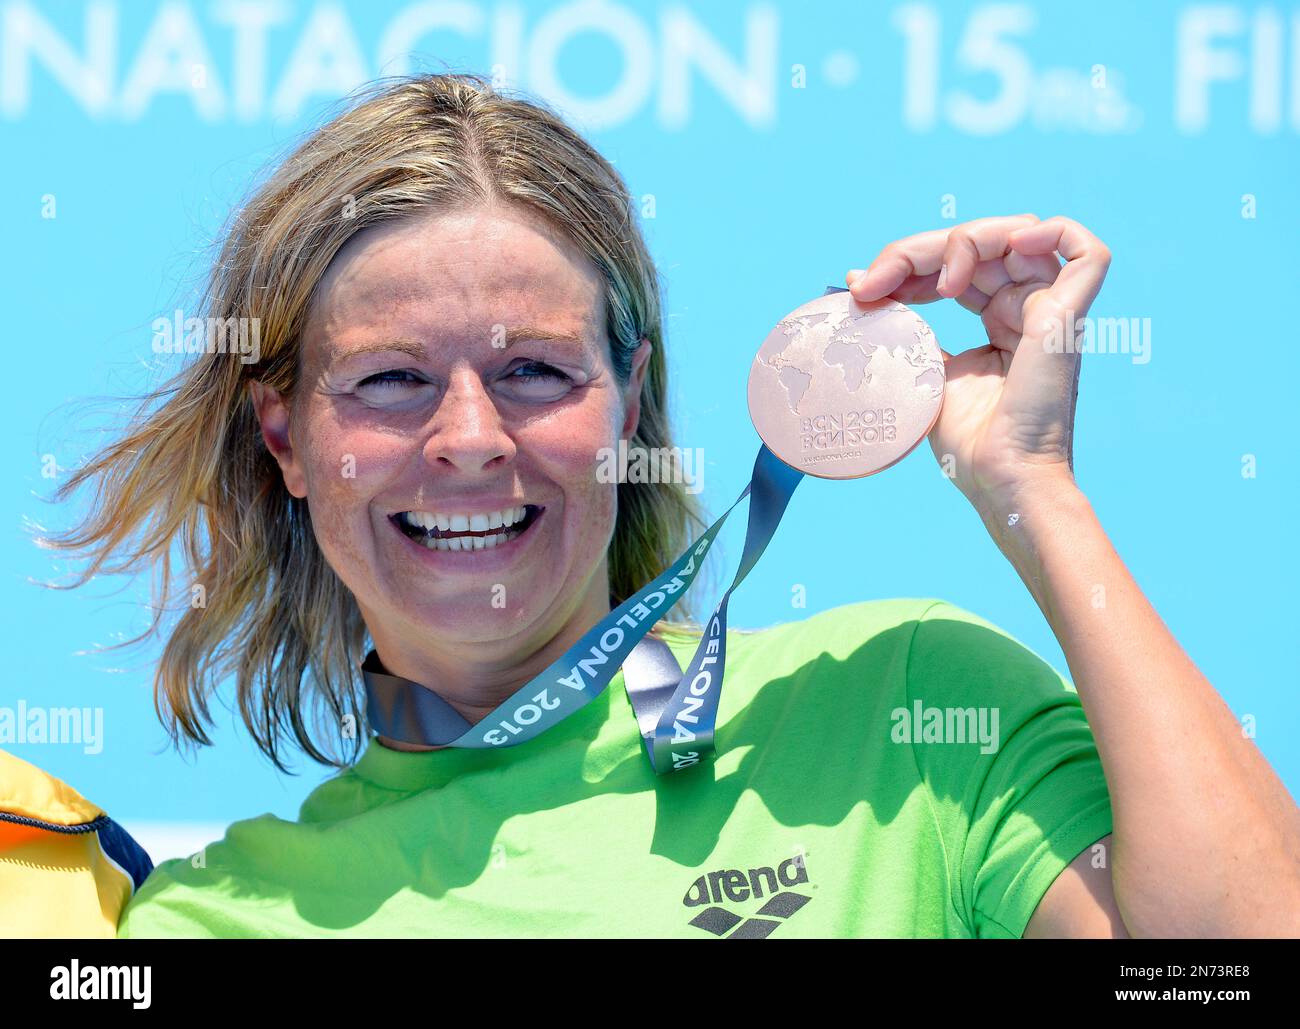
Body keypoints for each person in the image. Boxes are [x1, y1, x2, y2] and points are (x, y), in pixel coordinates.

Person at [32, 72, 1299, 938]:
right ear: (286, 438)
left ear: (628, 399)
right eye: (390, 382)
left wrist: (1034, 491)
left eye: (533, 371)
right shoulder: (222, 920)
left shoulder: (900, 708)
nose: (470, 439)